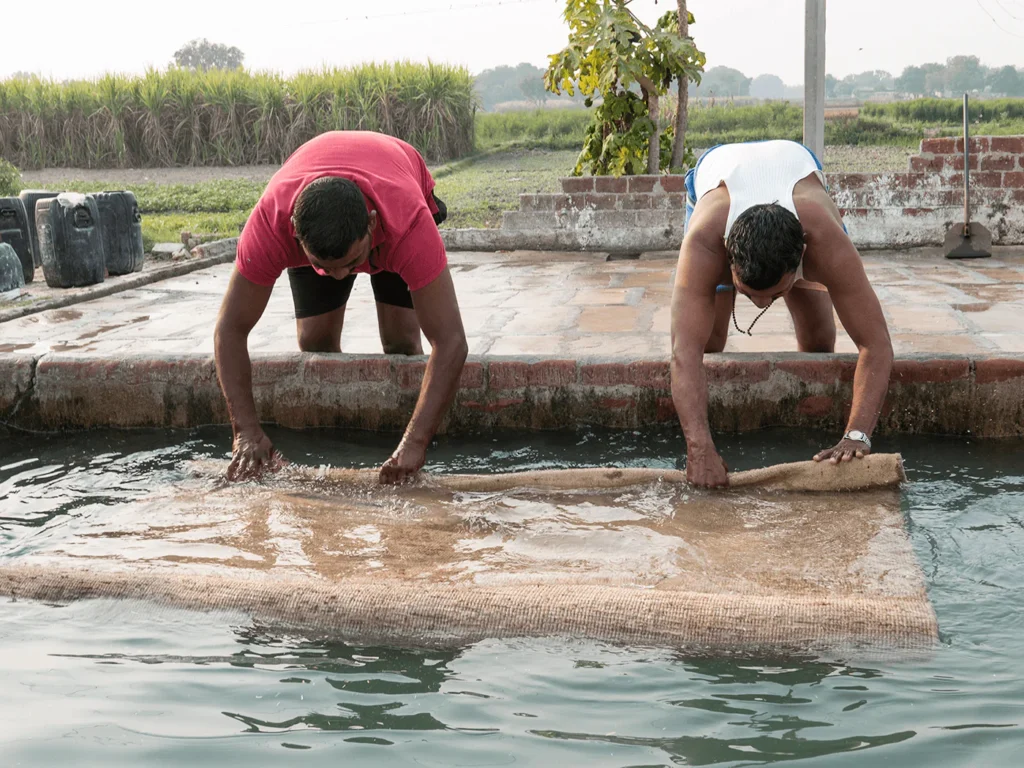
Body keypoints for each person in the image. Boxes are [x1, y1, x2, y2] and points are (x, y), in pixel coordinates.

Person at [214, 131, 468, 484]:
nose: (338, 277)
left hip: (397, 179)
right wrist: (245, 432)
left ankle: (405, 437)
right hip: (316, 200)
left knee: (401, 342)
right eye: (323, 265)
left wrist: (416, 442)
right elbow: (230, 328)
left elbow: (451, 340)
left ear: (373, 225)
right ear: (294, 234)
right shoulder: (271, 222)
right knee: (315, 341)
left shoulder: (408, 224)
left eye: (352, 262)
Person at [670, 139, 894, 488]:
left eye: (776, 293)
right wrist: (699, 449)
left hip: (795, 163)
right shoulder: (704, 240)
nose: (762, 305)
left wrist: (858, 435)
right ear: (727, 257)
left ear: (803, 255)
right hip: (717, 172)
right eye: (750, 293)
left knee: (820, 338)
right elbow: (684, 354)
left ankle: (814, 420)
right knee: (710, 340)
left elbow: (876, 344)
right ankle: (743, 284)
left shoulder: (824, 238)